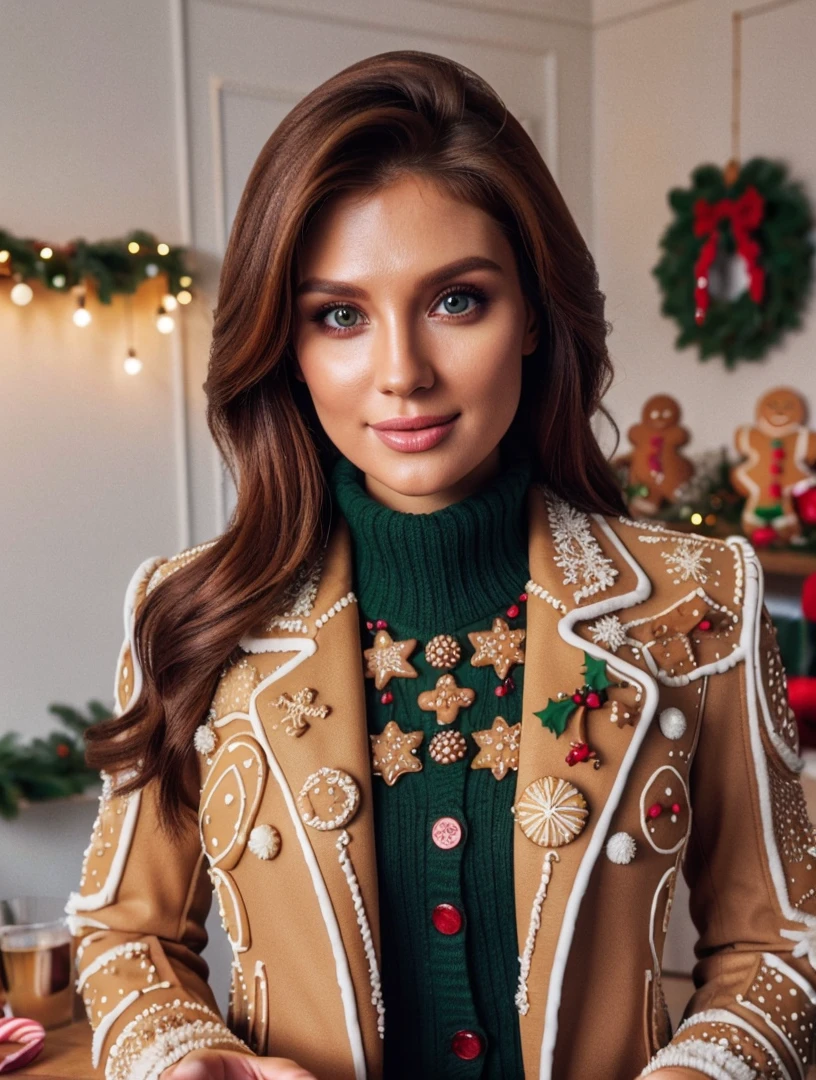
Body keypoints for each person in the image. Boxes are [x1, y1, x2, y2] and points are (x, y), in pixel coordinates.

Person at [67, 50, 816, 1080]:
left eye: (456, 301)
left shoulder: (702, 605)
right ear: (285, 346)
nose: (402, 374)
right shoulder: (191, 613)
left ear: (537, 320)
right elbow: (125, 936)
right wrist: (182, 1054)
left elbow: (780, 943)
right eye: (339, 316)